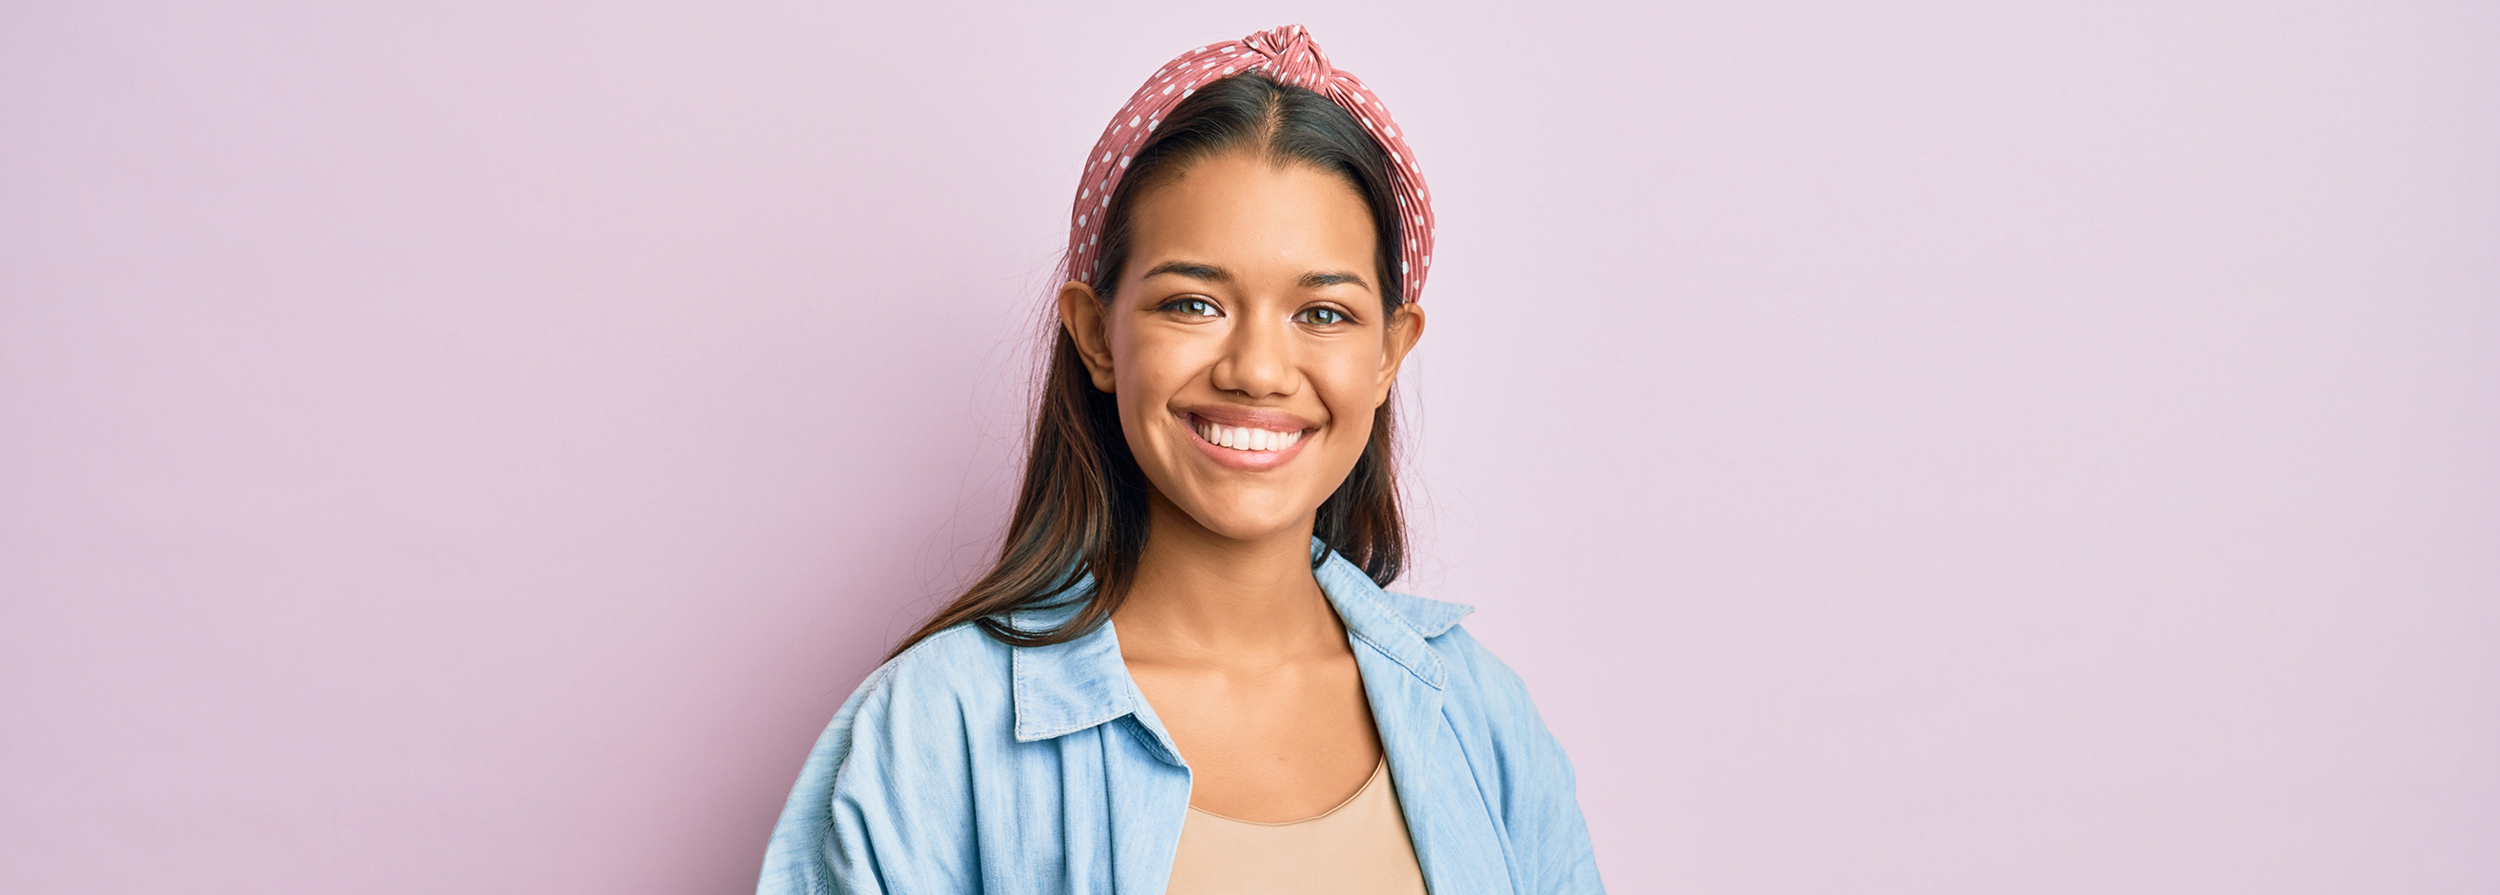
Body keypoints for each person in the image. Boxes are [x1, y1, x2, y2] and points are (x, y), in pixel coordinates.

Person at [758, 25, 1602, 894]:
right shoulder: (934, 729)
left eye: (1323, 314)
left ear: (1390, 352)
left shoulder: (1482, 715)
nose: (1258, 371)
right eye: (1194, 303)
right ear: (1097, 334)